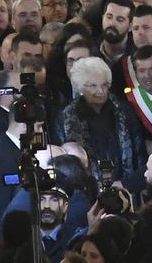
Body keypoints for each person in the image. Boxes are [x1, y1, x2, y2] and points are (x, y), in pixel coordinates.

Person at [53, 57, 146, 191]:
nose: (100, 91)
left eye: (104, 85)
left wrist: (132, 184)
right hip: (86, 191)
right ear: (80, 87)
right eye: (93, 86)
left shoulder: (124, 112)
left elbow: (139, 154)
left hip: (125, 187)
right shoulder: (66, 118)